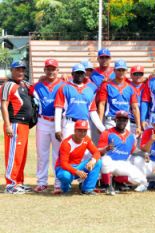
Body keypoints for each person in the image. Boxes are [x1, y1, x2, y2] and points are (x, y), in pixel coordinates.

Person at [1, 60, 33, 194]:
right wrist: (8, 125)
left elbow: (37, 86)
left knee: (21, 155)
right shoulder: (9, 85)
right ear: (12, 71)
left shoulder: (24, 84)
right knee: (14, 155)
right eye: (17, 69)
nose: (20, 72)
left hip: (24, 124)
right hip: (15, 123)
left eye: (22, 70)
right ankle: (11, 184)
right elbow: (3, 105)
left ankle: (19, 182)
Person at [32, 59, 65, 193]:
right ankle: (42, 182)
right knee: (42, 153)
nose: (51, 71)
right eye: (48, 69)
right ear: (44, 70)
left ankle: (58, 183)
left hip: (59, 122)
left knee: (58, 154)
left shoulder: (64, 85)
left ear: (58, 70)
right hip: (43, 121)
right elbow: (26, 89)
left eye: (53, 69)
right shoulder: (37, 86)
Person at [98, 111, 148, 195]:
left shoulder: (131, 136)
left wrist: (144, 154)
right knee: (105, 160)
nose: (122, 122)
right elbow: (98, 150)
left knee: (142, 180)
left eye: (124, 120)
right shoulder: (107, 133)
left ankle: (117, 181)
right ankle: (107, 185)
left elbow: (133, 150)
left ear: (127, 121)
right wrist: (106, 149)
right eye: (119, 119)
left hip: (122, 163)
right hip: (109, 163)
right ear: (115, 120)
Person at [54, 63, 105, 140]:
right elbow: (58, 109)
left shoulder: (89, 90)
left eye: (81, 73)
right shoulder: (64, 88)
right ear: (72, 74)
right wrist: (57, 129)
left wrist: (103, 129)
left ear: (84, 74)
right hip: (69, 124)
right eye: (77, 73)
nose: (79, 75)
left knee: (86, 151)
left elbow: (93, 112)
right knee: (68, 150)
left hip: (85, 124)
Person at [55, 120, 102, 195]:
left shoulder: (86, 139)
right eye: (79, 130)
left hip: (77, 166)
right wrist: (77, 172)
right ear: (74, 130)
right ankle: (65, 187)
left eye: (84, 131)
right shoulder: (66, 143)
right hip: (63, 168)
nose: (82, 133)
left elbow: (97, 152)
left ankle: (87, 189)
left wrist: (92, 161)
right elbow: (64, 164)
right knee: (65, 176)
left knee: (98, 161)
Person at [97, 59, 141, 135]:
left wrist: (138, 126)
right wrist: (99, 123)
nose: (121, 72)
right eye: (119, 70)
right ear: (114, 70)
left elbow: (135, 107)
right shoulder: (106, 85)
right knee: (111, 145)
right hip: (111, 120)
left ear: (126, 71)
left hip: (125, 121)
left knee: (125, 145)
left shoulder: (130, 88)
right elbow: (102, 105)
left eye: (123, 70)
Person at [129, 65, 146, 133]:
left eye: (140, 74)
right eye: (135, 74)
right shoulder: (127, 86)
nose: (138, 76)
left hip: (145, 121)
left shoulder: (147, 86)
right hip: (130, 121)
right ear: (131, 75)